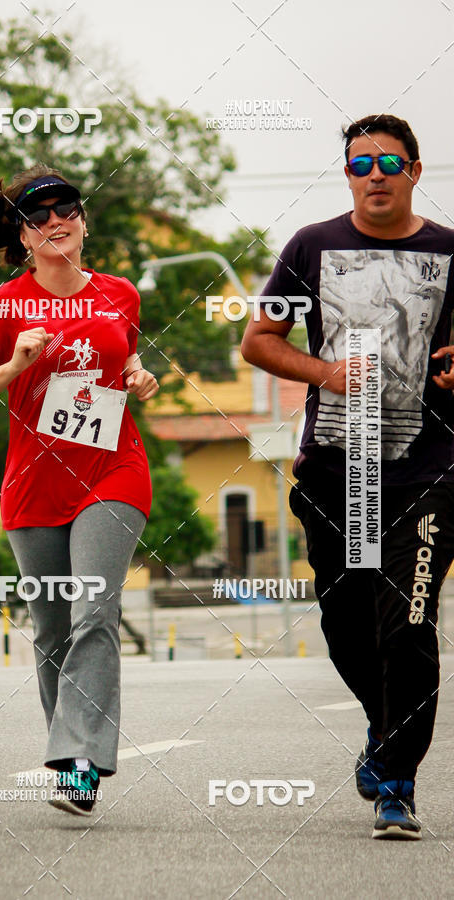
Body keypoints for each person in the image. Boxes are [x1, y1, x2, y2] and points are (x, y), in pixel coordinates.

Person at [241, 114, 454, 840]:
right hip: (341, 470)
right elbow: (258, 341)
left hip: (429, 471)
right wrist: (326, 372)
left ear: (414, 171)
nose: (375, 176)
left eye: (389, 163)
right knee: (349, 627)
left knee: (410, 624)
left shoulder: (450, 251)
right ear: (348, 176)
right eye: (361, 165)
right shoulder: (310, 246)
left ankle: (397, 781)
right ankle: (382, 725)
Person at [0, 165, 158, 816]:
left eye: (65, 208)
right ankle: (70, 749)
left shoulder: (120, 294)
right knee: (52, 629)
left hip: (113, 471)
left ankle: (78, 763)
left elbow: (123, 356)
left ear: (83, 220)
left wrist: (138, 375)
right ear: (22, 236)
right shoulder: (0, 307)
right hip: (34, 484)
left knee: (93, 611)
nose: (54, 222)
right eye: (37, 216)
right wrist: (14, 364)